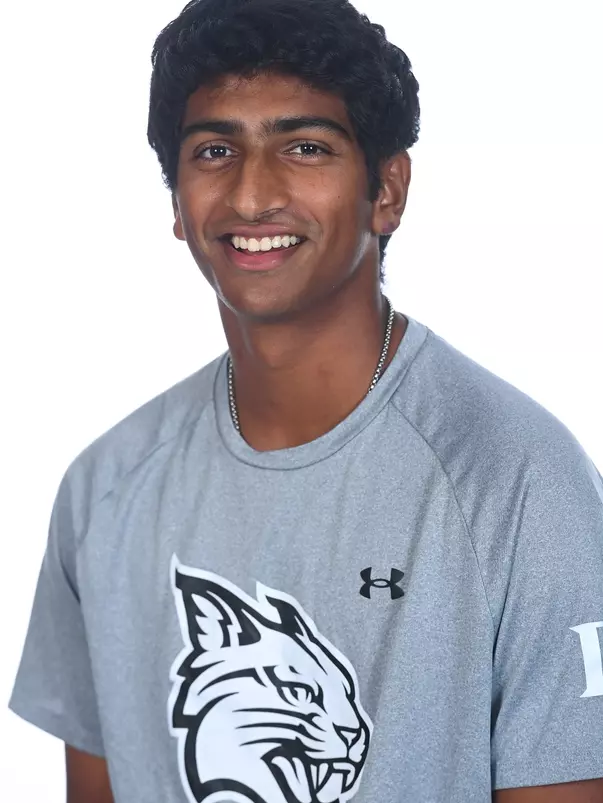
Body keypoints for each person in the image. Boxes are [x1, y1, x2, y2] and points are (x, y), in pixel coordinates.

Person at [9, 0, 603, 801]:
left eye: (305, 146)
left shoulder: (520, 483)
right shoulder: (103, 489)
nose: (253, 195)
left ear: (386, 190)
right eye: (214, 150)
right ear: (177, 202)